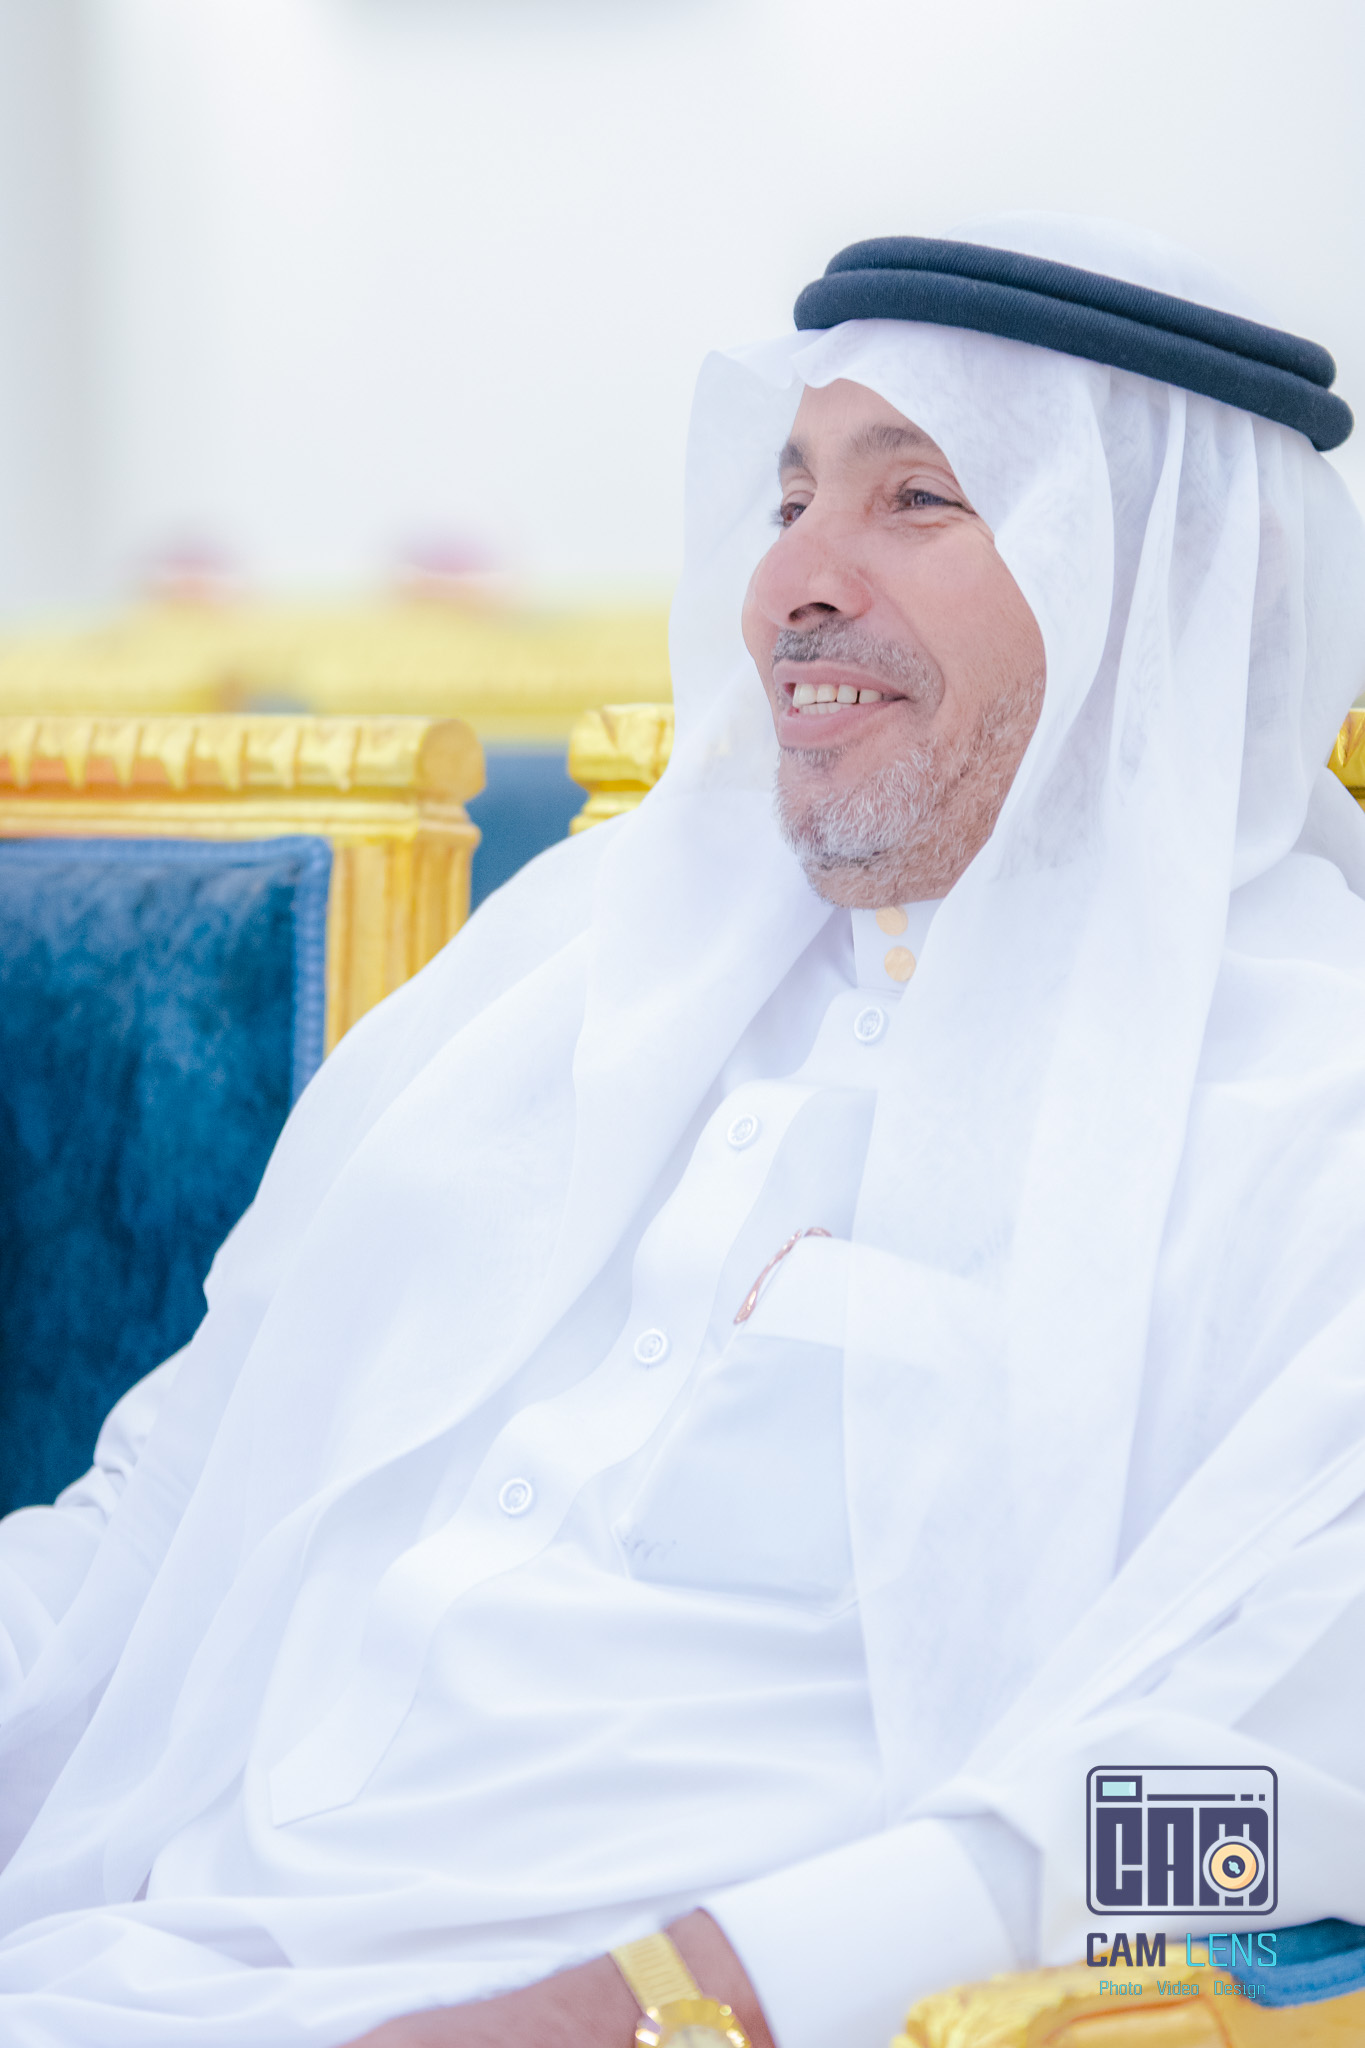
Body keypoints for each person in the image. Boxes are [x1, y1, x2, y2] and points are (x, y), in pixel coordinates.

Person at [1, 214, 1364, 2048]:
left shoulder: (1312, 1100)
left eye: (917, 498)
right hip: (128, 1969)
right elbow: (158, 1515)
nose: (788, 580)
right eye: (788, 496)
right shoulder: (566, 965)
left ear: (1161, 585)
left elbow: (1276, 1807)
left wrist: (661, 2003)